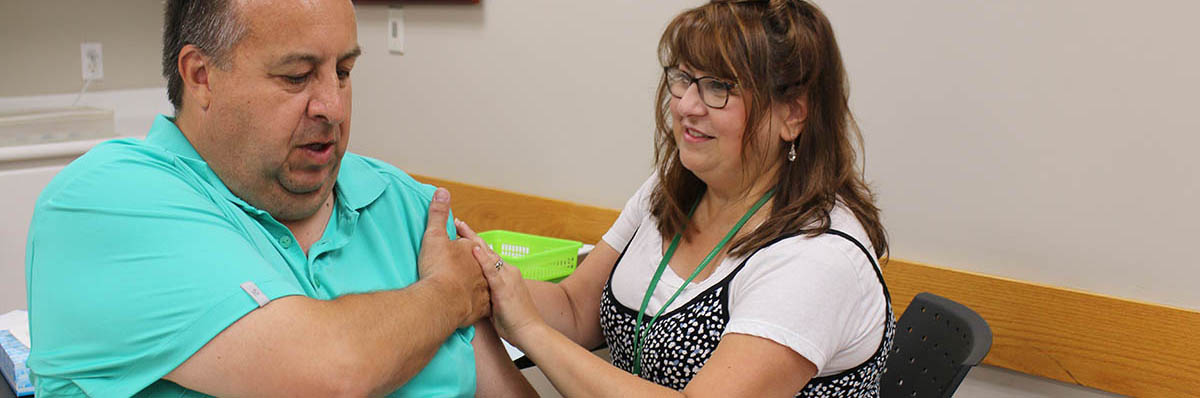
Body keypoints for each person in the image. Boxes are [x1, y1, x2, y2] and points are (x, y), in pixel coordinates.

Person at [23, 0, 535, 396]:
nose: (332, 106)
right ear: (201, 76)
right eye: (296, 77)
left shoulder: (410, 208)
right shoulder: (103, 202)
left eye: (344, 71)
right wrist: (447, 296)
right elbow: (331, 373)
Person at [457, 0, 894, 396]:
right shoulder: (668, 191)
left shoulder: (818, 257)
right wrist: (478, 282)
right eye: (683, 78)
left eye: (719, 86)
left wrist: (529, 329)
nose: (686, 105)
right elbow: (574, 311)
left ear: (793, 113)